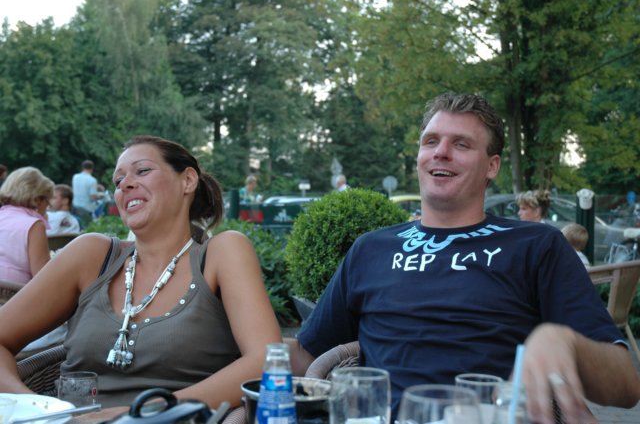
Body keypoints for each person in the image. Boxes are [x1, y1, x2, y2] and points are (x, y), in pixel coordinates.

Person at [287, 93, 640, 424]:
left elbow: (626, 388)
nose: (441, 152)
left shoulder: (536, 245)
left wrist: (565, 342)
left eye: (461, 144)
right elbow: (305, 354)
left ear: (492, 166)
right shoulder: (371, 248)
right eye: (431, 141)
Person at [0, 136, 281, 418]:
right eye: (118, 180)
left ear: (187, 181)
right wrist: (40, 411)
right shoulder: (91, 255)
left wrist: (141, 413)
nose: (125, 184)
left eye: (142, 170)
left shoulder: (221, 253)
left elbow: (267, 361)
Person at [0, 167, 54, 284]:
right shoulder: (34, 225)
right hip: (15, 292)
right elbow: (42, 278)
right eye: (47, 200)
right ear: (38, 199)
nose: (48, 206)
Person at [71, 159, 101, 228]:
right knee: (87, 227)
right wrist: (100, 196)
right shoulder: (92, 180)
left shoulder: (75, 177)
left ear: (82, 167)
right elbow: (93, 197)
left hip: (75, 205)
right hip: (86, 208)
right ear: (92, 169)